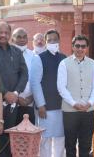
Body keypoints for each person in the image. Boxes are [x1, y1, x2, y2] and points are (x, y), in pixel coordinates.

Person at [57, 34, 94, 157]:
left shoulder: (93, 64)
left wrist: (90, 102)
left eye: (83, 46)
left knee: (86, 145)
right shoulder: (64, 64)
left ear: (86, 48)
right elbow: (61, 87)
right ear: (72, 47)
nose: (80, 49)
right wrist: (73, 103)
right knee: (70, 145)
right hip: (70, 111)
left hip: (88, 110)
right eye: (77, 46)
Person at [0, 21, 28, 157]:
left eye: (6, 33)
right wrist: (5, 93)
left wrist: (16, 93)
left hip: (12, 104)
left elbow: (24, 74)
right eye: (0, 32)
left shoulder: (17, 52)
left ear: (10, 34)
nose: (3, 35)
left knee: (7, 140)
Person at [30, 29, 66, 157]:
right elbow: (35, 83)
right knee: (44, 140)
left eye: (55, 39)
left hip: (61, 106)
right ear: (45, 42)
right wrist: (40, 105)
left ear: (59, 40)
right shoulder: (39, 58)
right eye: (49, 40)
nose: (52, 42)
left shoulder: (64, 58)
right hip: (45, 107)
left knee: (60, 139)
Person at [11, 27, 36, 124]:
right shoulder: (8, 55)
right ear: (13, 39)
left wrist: (32, 97)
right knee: (10, 136)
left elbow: (37, 79)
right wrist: (16, 98)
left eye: (24, 37)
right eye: (19, 37)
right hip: (11, 103)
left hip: (29, 103)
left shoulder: (33, 56)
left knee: (29, 136)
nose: (22, 39)